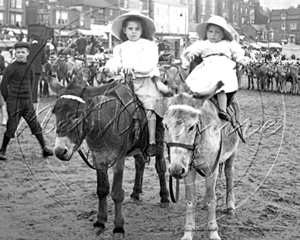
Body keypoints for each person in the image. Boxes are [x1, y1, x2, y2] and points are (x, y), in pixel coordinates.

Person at [103, 10, 172, 156]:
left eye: (137, 29)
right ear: (124, 30)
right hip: (126, 81)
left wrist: (133, 67)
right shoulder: (120, 47)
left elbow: (150, 64)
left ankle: (151, 141)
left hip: (146, 80)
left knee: (149, 107)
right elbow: (115, 62)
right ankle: (110, 133)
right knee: (109, 99)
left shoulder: (149, 45)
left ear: (142, 30)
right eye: (130, 29)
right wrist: (110, 67)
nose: (133, 32)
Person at [181, 15, 247, 121]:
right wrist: (189, 54)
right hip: (207, 67)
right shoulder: (203, 44)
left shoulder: (227, 44)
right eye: (211, 32)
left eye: (217, 32)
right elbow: (193, 49)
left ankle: (222, 109)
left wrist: (241, 59)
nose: (213, 35)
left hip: (222, 68)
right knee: (195, 85)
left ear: (223, 35)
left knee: (220, 87)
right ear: (206, 33)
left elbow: (236, 52)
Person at [0, 42, 53, 161]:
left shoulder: (31, 68)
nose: (20, 55)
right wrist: (8, 99)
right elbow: (3, 85)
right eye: (18, 52)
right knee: (11, 127)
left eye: (23, 52)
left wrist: (29, 98)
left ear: (28, 53)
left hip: (27, 102)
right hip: (14, 101)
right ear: (15, 53)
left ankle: (44, 148)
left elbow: (32, 83)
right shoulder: (10, 68)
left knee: (35, 125)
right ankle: (2, 150)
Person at [27, 34, 48, 103]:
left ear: (31, 39)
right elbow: (43, 59)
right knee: (35, 84)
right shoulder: (41, 47)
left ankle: (28, 98)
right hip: (37, 69)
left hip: (28, 68)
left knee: (28, 83)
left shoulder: (28, 47)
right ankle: (34, 99)